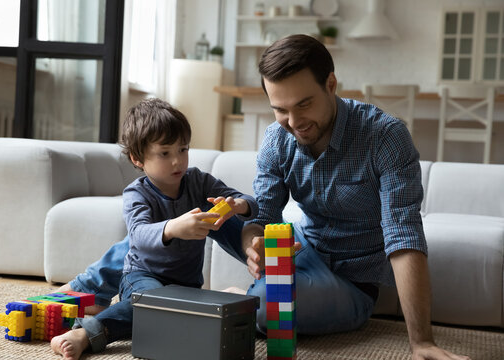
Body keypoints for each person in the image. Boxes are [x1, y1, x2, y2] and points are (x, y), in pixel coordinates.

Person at [241, 34, 469, 360]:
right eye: (280, 109)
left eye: (304, 104)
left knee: (268, 309)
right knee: (216, 211)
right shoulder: (277, 139)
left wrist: (422, 342)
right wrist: (253, 245)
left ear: (331, 84)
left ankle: (242, 300)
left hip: (350, 283)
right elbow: (261, 217)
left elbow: (403, 234)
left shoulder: (385, 136)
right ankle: (246, 297)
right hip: (300, 251)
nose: (294, 122)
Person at [51, 98, 258, 359]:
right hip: (142, 278)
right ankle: (85, 333)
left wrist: (238, 204)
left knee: (184, 320)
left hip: (186, 288)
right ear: (137, 158)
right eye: (165, 153)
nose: (177, 161)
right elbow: (138, 235)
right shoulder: (137, 193)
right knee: (153, 305)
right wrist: (172, 228)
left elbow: (252, 203)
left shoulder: (199, 182)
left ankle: (218, 299)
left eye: (183, 149)